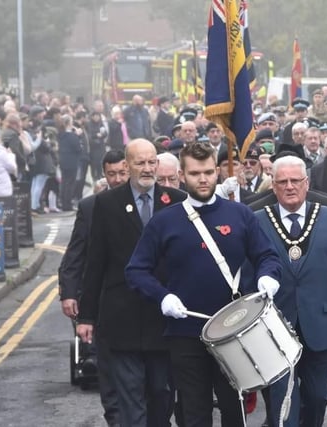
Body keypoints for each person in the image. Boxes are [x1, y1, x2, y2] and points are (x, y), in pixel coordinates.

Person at [125, 142, 282, 426]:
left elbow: (266, 255)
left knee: (235, 412)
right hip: (186, 333)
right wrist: (162, 297)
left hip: (234, 332)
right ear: (182, 175)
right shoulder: (164, 222)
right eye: (196, 173)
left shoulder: (240, 214)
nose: (203, 179)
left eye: (209, 172)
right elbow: (136, 270)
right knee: (195, 412)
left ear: (217, 173)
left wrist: (268, 276)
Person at [76, 139, 187, 427]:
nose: (148, 168)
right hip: (122, 316)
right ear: (127, 166)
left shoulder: (175, 201)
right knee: (130, 398)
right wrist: (86, 316)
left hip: (163, 317)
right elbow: (95, 261)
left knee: (161, 395)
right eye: (140, 163)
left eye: (152, 162)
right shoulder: (106, 203)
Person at [255, 155, 327, 427]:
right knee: (283, 400)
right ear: (274, 186)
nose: (290, 187)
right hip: (275, 329)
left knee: (316, 397)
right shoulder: (257, 220)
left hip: (322, 324)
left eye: (295, 181)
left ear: (307, 182)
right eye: (283, 182)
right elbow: (248, 277)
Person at [58, 150, 128, 427]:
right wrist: (68, 293)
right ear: (104, 175)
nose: (118, 179)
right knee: (107, 369)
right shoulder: (90, 207)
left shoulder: (150, 202)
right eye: (112, 174)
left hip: (140, 304)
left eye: (122, 173)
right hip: (102, 303)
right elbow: (75, 255)